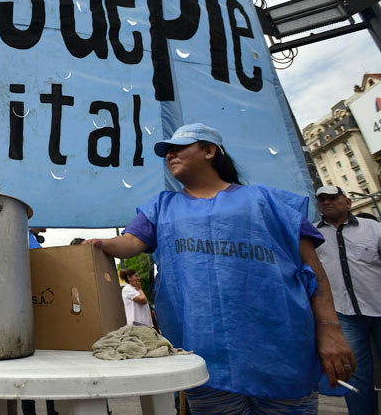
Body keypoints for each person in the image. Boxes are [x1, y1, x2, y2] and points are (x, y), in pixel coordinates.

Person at [86, 123, 354, 414]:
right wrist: (100, 244)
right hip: (204, 360)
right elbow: (129, 242)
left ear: (209, 151)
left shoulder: (269, 201)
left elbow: (313, 271)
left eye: (179, 148)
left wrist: (330, 330)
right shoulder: (161, 206)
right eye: (168, 152)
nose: (170, 155)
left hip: (282, 356)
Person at [315, 185, 381, 415]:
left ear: (348, 202)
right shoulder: (312, 235)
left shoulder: (373, 229)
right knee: (354, 374)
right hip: (343, 316)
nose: (326, 202)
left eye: (332, 197)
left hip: (379, 308)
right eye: (321, 199)